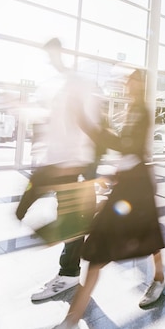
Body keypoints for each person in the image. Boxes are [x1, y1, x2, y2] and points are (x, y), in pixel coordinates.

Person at [55, 69, 165, 328]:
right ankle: (72, 319)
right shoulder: (133, 111)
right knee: (101, 247)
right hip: (129, 185)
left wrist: (88, 123)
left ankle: (159, 278)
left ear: (142, 85)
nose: (127, 83)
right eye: (128, 80)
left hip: (136, 187)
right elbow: (126, 148)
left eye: (132, 80)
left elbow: (128, 146)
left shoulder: (142, 112)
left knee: (144, 236)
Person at [20, 38, 102, 303]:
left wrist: (86, 168)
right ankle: (68, 269)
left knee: (70, 220)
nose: (50, 61)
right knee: (66, 217)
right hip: (61, 165)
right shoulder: (61, 86)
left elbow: (89, 127)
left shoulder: (76, 84)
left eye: (52, 55)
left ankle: (68, 274)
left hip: (73, 166)